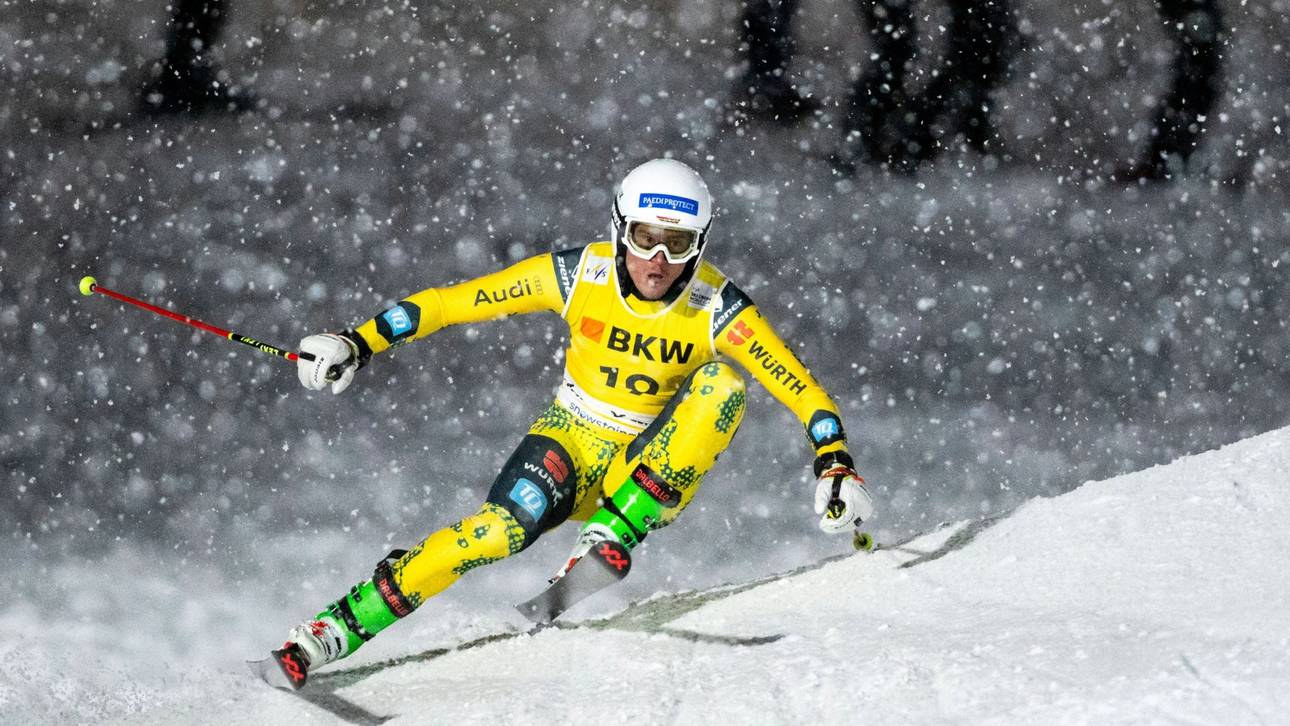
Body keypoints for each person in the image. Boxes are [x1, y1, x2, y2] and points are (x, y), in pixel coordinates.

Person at [267, 158, 873, 688]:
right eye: (643, 238)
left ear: (701, 244)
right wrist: (358, 342)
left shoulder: (716, 307)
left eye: (678, 243)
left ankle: (612, 532)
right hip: (570, 438)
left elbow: (798, 384)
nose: (657, 262)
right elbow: (455, 301)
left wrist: (835, 460)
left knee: (725, 386)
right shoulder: (576, 274)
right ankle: (332, 631)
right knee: (498, 533)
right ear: (618, 229)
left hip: (641, 465)